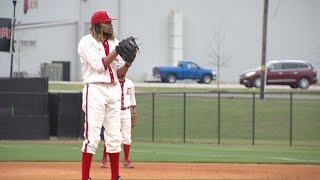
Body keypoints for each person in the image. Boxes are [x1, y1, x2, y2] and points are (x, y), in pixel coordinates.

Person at [78, 10, 136, 180]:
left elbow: (120, 74)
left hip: (113, 89)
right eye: (107, 22)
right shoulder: (86, 42)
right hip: (95, 89)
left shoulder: (113, 43)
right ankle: (85, 177)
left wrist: (129, 62)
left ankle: (115, 176)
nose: (111, 24)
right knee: (92, 136)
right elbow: (99, 65)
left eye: (111, 22)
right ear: (97, 25)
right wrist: (117, 51)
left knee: (114, 136)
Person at [100, 77, 137, 169]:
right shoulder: (112, 82)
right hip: (114, 111)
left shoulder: (130, 83)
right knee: (111, 135)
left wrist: (134, 113)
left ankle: (126, 160)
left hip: (126, 111)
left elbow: (132, 98)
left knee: (127, 137)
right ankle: (104, 159)